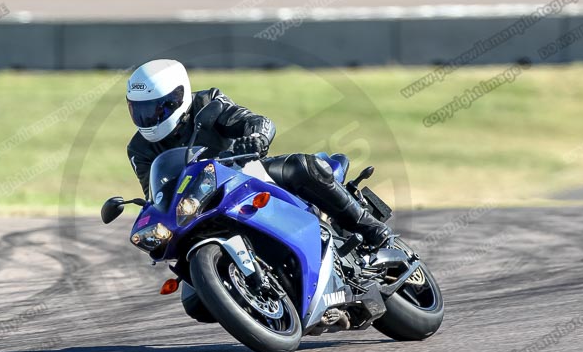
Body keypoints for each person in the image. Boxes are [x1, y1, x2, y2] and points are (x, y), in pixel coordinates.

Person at [125, 58, 390, 247]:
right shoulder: (138, 149)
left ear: (177, 98)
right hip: (198, 204)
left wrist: (256, 137)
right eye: (141, 110)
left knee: (301, 166)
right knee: (194, 302)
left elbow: (253, 120)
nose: (149, 118)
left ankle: (368, 225)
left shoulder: (208, 104)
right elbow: (156, 192)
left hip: (243, 174)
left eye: (157, 109)